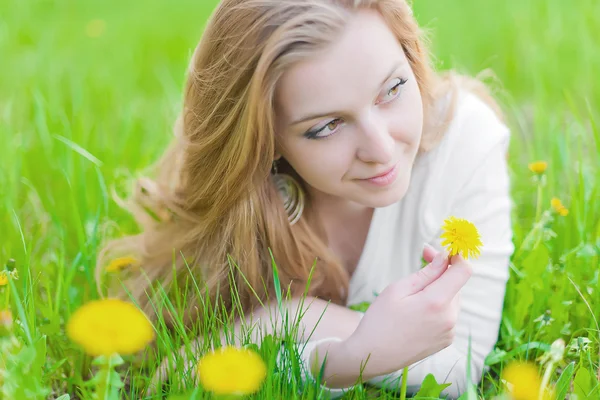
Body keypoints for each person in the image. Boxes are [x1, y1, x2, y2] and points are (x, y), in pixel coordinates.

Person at [97, 0, 514, 398]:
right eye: (328, 126)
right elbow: (172, 383)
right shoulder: (248, 206)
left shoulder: (465, 141)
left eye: (392, 89)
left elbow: (462, 363)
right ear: (267, 139)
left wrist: (296, 326)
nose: (381, 149)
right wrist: (343, 352)